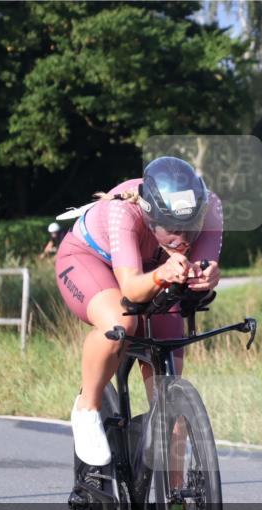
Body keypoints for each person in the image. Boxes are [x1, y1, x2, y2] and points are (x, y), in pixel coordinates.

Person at [54, 156, 223, 466]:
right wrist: (162, 274)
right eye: (173, 229)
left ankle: (175, 493)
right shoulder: (124, 211)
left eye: (191, 227)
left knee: (171, 408)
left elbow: (201, 272)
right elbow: (132, 289)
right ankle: (87, 408)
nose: (183, 239)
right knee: (119, 324)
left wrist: (207, 277)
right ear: (150, 216)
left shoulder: (211, 206)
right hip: (90, 261)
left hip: (153, 270)